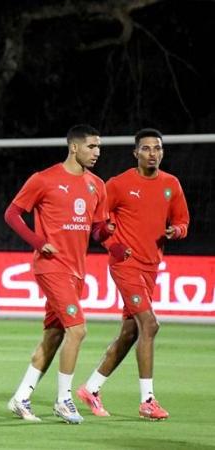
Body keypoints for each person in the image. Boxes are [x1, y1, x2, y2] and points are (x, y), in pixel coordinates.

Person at [76, 128, 189, 420]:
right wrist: (113, 245)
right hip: (126, 265)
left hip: (152, 267)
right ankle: (147, 401)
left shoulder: (171, 185)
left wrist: (175, 231)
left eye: (157, 148)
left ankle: (91, 388)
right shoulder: (118, 184)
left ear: (162, 152)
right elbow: (96, 223)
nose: (153, 153)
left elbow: (182, 222)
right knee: (150, 325)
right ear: (135, 153)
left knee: (130, 332)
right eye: (147, 148)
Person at [4, 124, 112, 424]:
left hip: (77, 271)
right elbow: (11, 214)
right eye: (91, 146)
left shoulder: (97, 186)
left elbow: (97, 231)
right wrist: (39, 242)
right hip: (51, 267)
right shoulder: (44, 179)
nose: (97, 152)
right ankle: (64, 400)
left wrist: (109, 232)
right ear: (74, 147)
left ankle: (21, 397)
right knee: (78, 330)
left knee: (53, 336)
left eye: (99, 146)